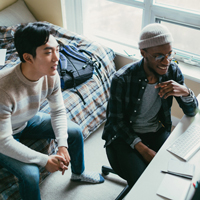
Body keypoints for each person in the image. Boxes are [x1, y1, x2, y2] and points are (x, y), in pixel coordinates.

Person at [0, 22, 104, 200]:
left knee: (74, 131)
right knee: (31, 174)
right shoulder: (4, 88)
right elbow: (4, 141)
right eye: (48, 52)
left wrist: (62, 144)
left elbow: (58, 112)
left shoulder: (51, 74)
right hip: (3, 136)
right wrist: (44, 160)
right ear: (28, 57)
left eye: (57, 50)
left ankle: (78, 173)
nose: (57, 58)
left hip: (24, 120)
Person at [102, 23, 198, 189]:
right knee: (144, 185)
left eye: (169, 54)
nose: (166, 61)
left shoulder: (173, 71)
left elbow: (192, 111)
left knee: (181, 173)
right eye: (159, 56)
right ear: (143, 53)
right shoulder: (122, 79)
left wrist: (186, 92)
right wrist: (143, 149)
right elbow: (115, 122)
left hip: (156, 131)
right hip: (124, 137)